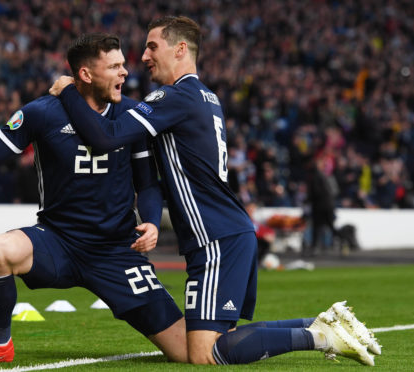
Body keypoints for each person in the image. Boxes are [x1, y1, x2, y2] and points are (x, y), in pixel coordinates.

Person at [49, 16, 379, 365]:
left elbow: (104, 137)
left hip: (215, 238)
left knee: (206, 353)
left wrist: (68, 91)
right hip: (224, 231)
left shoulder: (175, 96)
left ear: (179, 49)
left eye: (152, 46)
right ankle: (319, 324)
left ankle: (320, 337)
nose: (144, 56)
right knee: (214, 342)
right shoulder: (205, 96)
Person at [0, 33, 187, 364]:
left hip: (116, 251)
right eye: (114, 66)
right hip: (58, 242)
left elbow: (148, 183)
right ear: (86, 74)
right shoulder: (42, 113)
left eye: (123, 65)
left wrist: (149, 220)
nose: (125, 73)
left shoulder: (133, 113)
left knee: (189, 353)